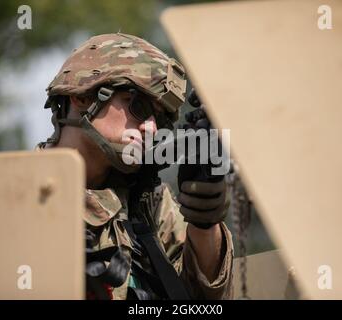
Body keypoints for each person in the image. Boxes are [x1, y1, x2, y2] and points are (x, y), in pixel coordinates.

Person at [37, 33, 233, 300]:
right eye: (138, 106)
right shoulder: (21, 194)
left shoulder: (147, 200)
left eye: (159, 117)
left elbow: (204, 301)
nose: (151, 127)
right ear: (81, 97)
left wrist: (203, 220)